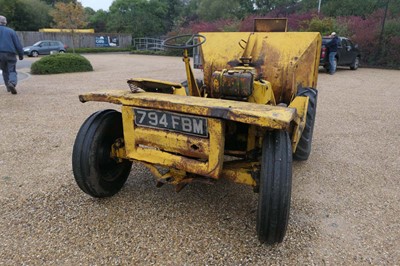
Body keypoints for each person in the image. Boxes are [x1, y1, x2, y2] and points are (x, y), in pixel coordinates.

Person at [0, 15, 24, 94]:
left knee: (4, 71)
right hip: (10, 53)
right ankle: (12, 83)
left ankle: (8, 87)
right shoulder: (11, 31)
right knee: (12, 70)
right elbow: (17, 44)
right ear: (5, 22)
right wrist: (21, 54)